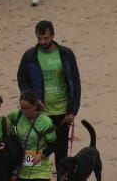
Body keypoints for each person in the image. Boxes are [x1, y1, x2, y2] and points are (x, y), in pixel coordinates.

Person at [13, 22, 79, 154]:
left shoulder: (66, 54)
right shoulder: (29, 56)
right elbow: (22, 80)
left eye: (46, 38)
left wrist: (73, 111)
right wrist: (33, 100)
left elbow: (75, 82)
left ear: (53, 35)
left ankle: (60, 169)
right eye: (39, 38)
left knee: (61, 152)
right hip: (39, 112)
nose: (42, 42)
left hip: (62, 112)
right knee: (37, 150)